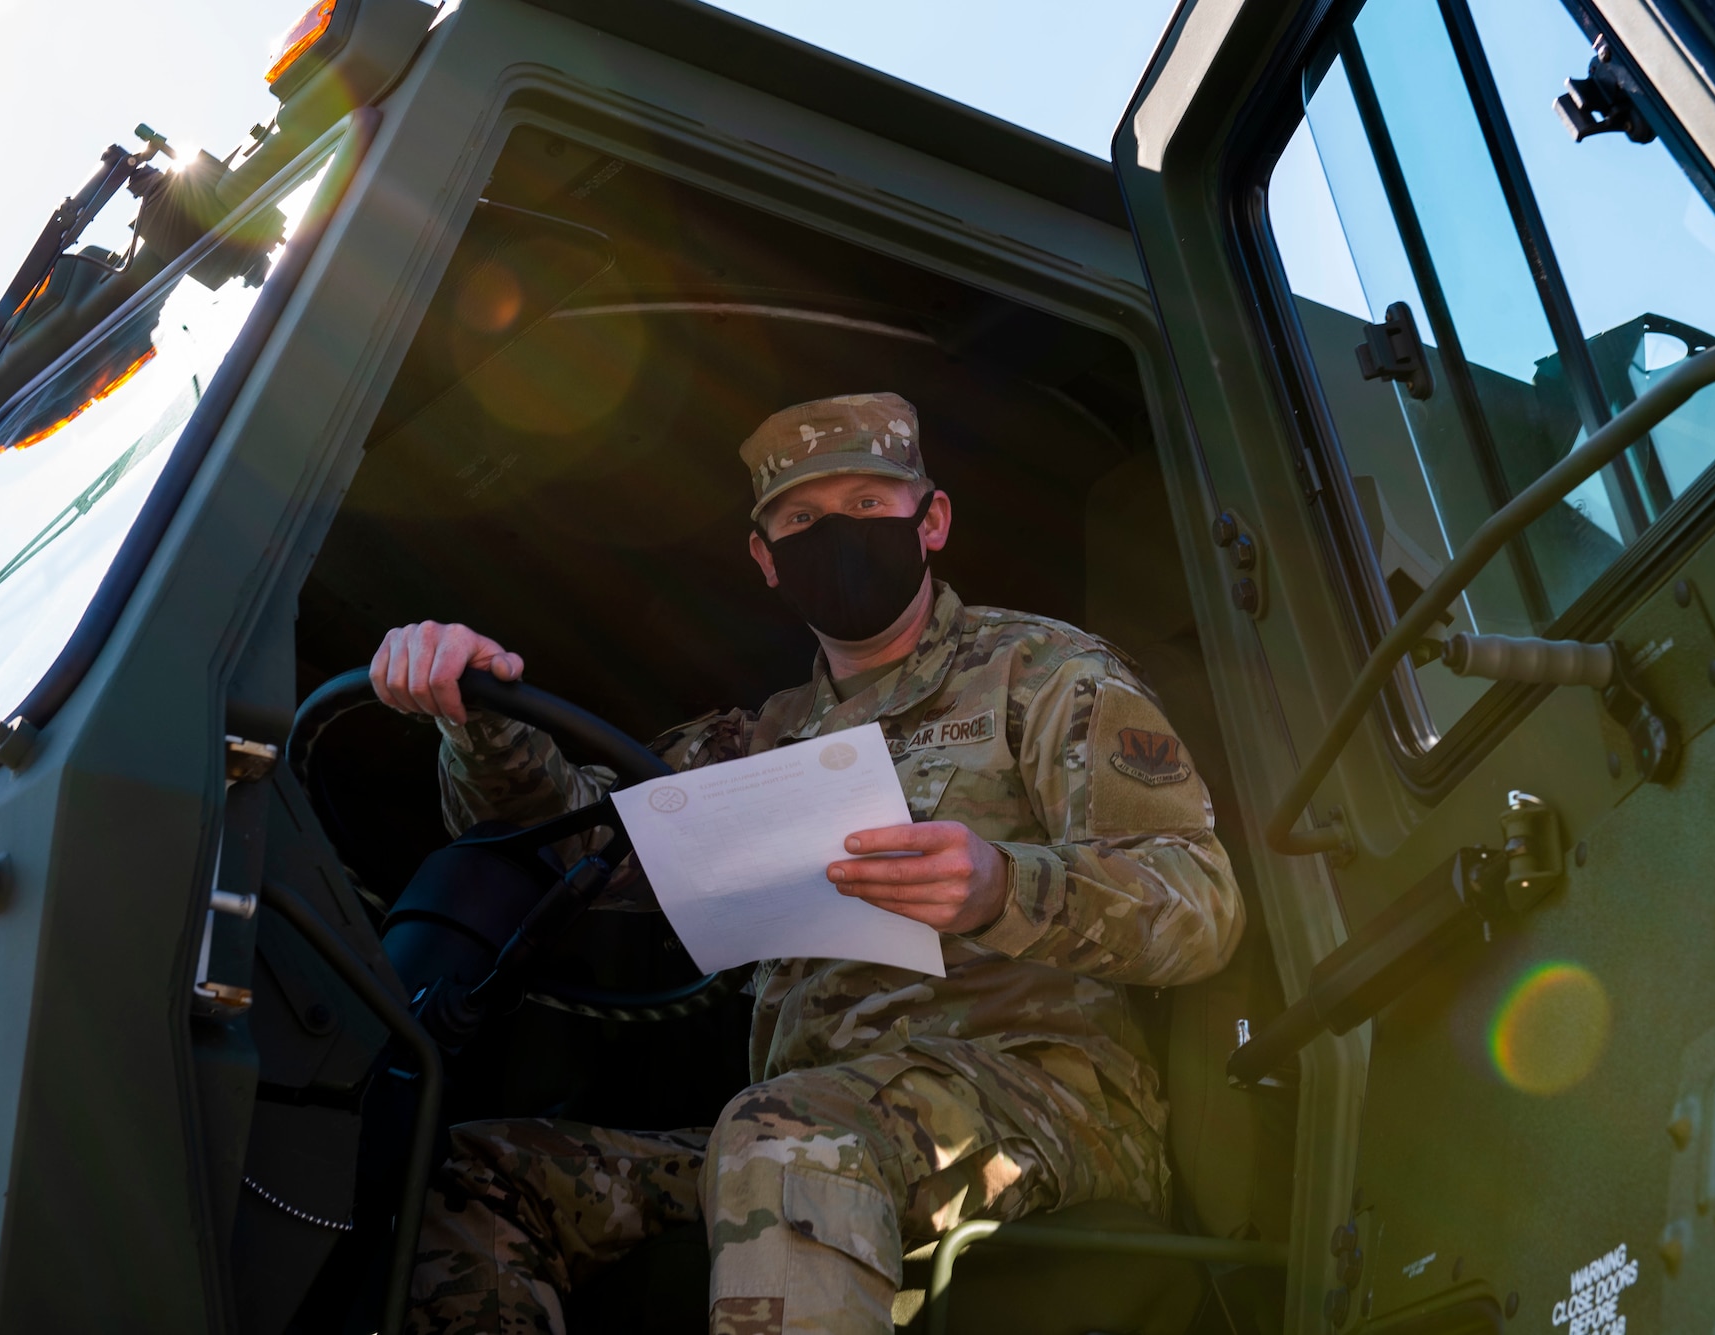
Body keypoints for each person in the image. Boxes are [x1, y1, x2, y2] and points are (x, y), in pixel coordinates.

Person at [382, 392, 1245, 1335]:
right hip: (808, 1124)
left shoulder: (1044, 677)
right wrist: (475, 713)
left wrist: (1003, 886)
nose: (835, 532)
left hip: (1043, 1106)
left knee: (786, 1131)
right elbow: (574, 844)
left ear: (932, 519)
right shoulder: (764, 740)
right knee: (483, 1172)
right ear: (765, 559)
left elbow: (1200, 907)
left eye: (869, 504)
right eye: (800, 519)